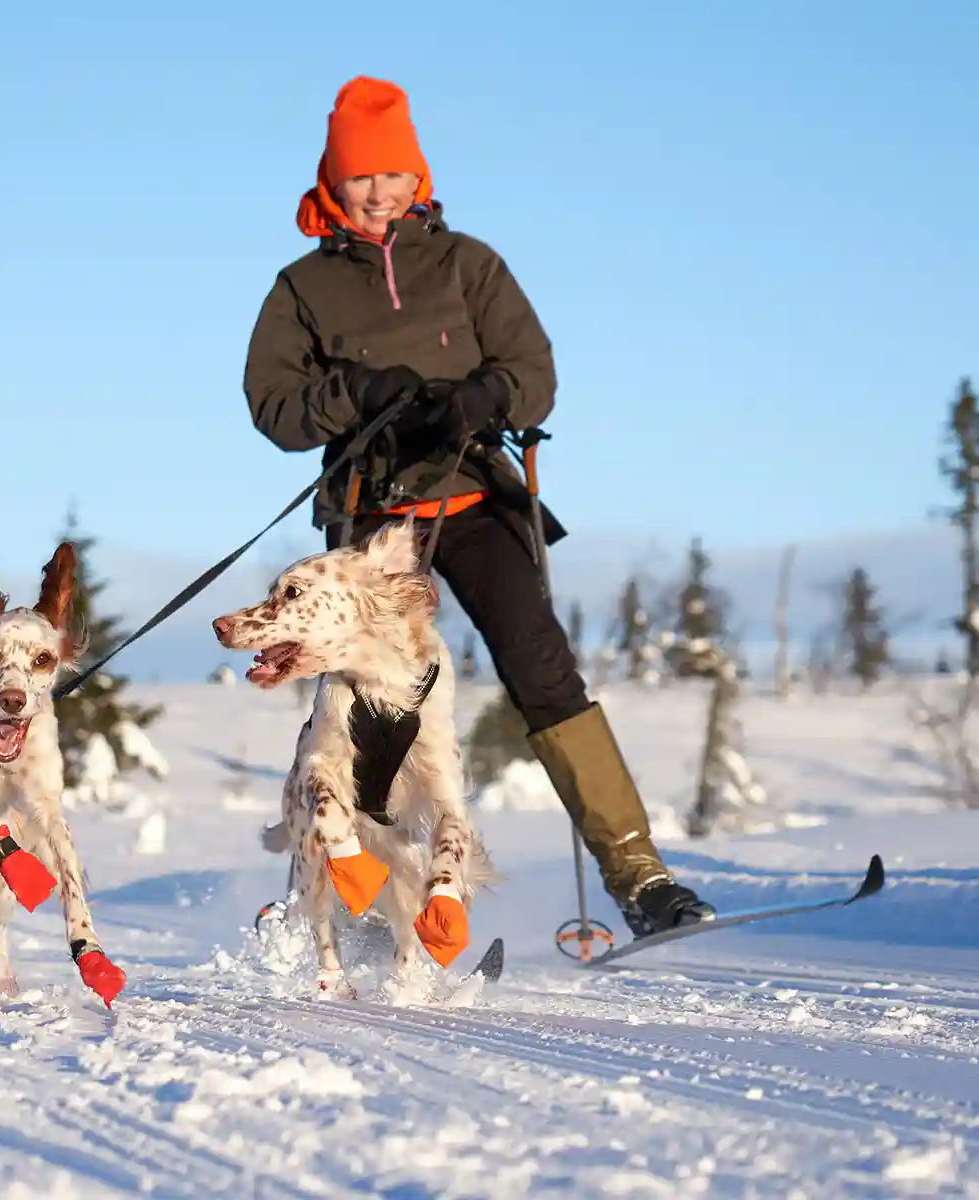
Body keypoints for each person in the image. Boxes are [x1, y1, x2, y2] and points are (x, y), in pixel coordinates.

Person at [240, 75, 714, 937]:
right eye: (360, 179)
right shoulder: (301, 288)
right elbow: (273, 406)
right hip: (374, 513)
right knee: (366, 704)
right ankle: (353, 887)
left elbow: (535, 373)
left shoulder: (468, 264)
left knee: (542, 668)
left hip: (472, 497)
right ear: (331, 184)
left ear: (416, 177)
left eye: (393, 176)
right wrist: (355, 393)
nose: (379, 194)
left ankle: (641, 878)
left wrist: (489, 394)